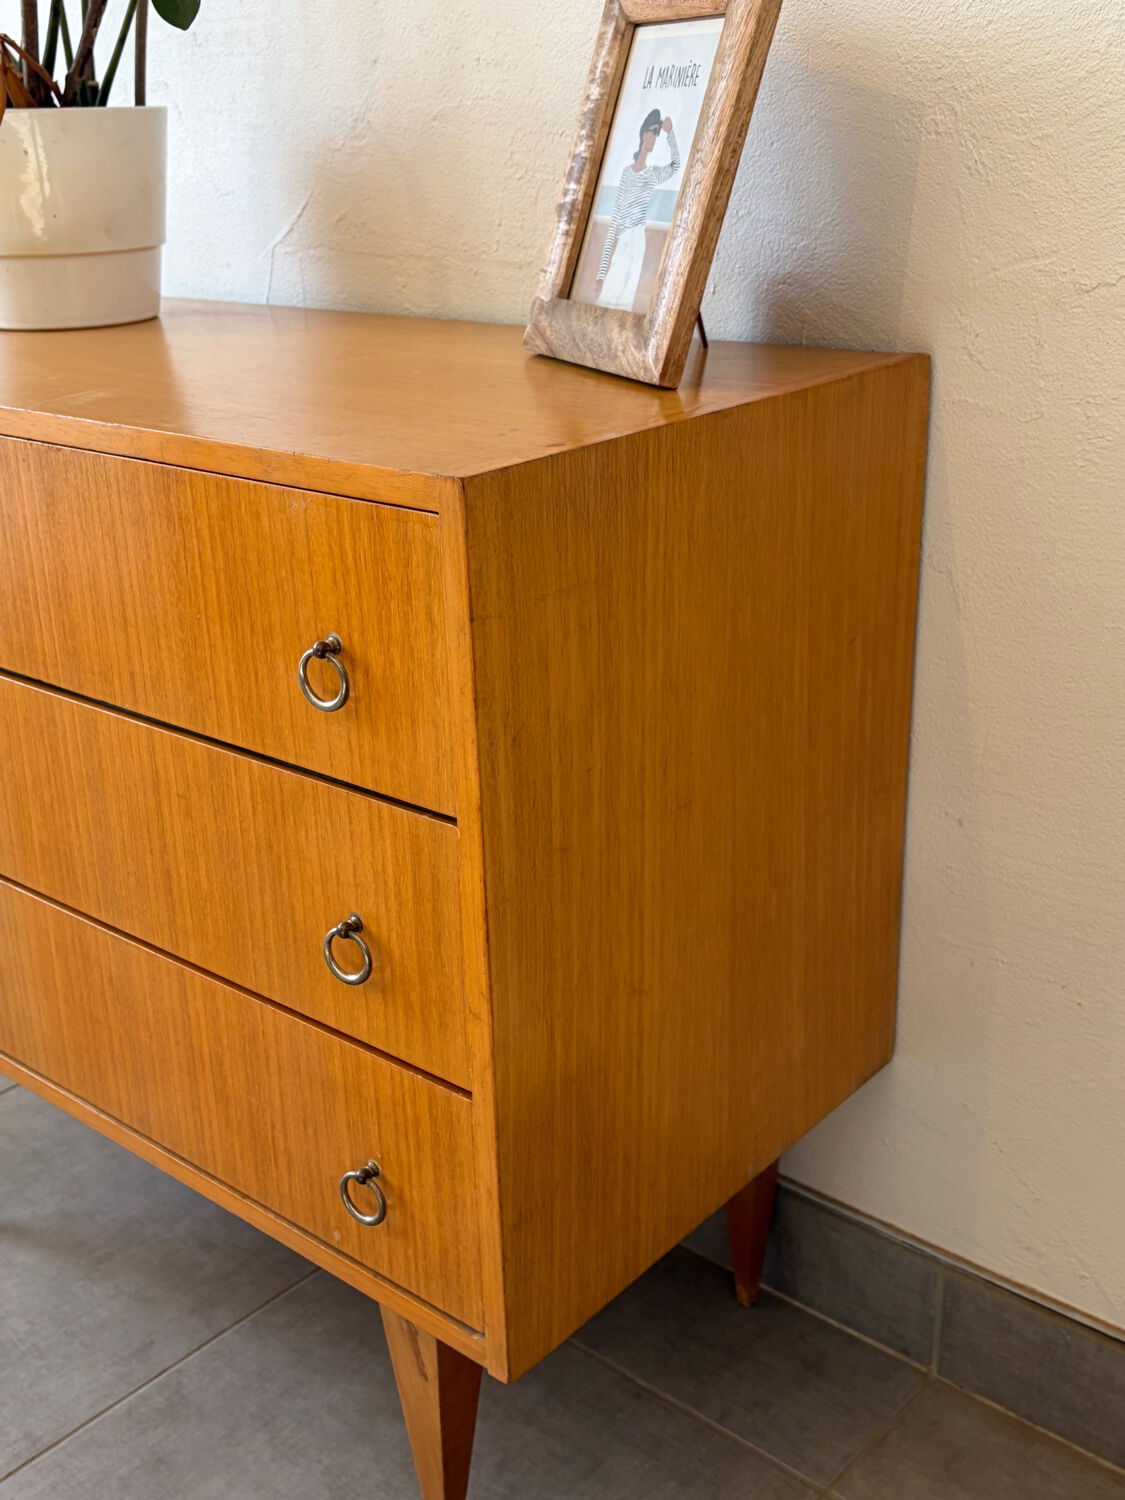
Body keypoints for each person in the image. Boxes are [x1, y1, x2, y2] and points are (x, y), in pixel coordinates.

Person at [596, 108, 681, 311]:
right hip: (625, 237)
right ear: (644, 134)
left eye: (657, 134)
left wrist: (670, 134)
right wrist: (601, 273)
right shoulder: (627, 174)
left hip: (639, 237)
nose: (654, 138)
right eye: (653, 132)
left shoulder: (652, 174)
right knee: (610, 293)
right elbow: (615, 219)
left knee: (627, 295)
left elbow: (676, 166)